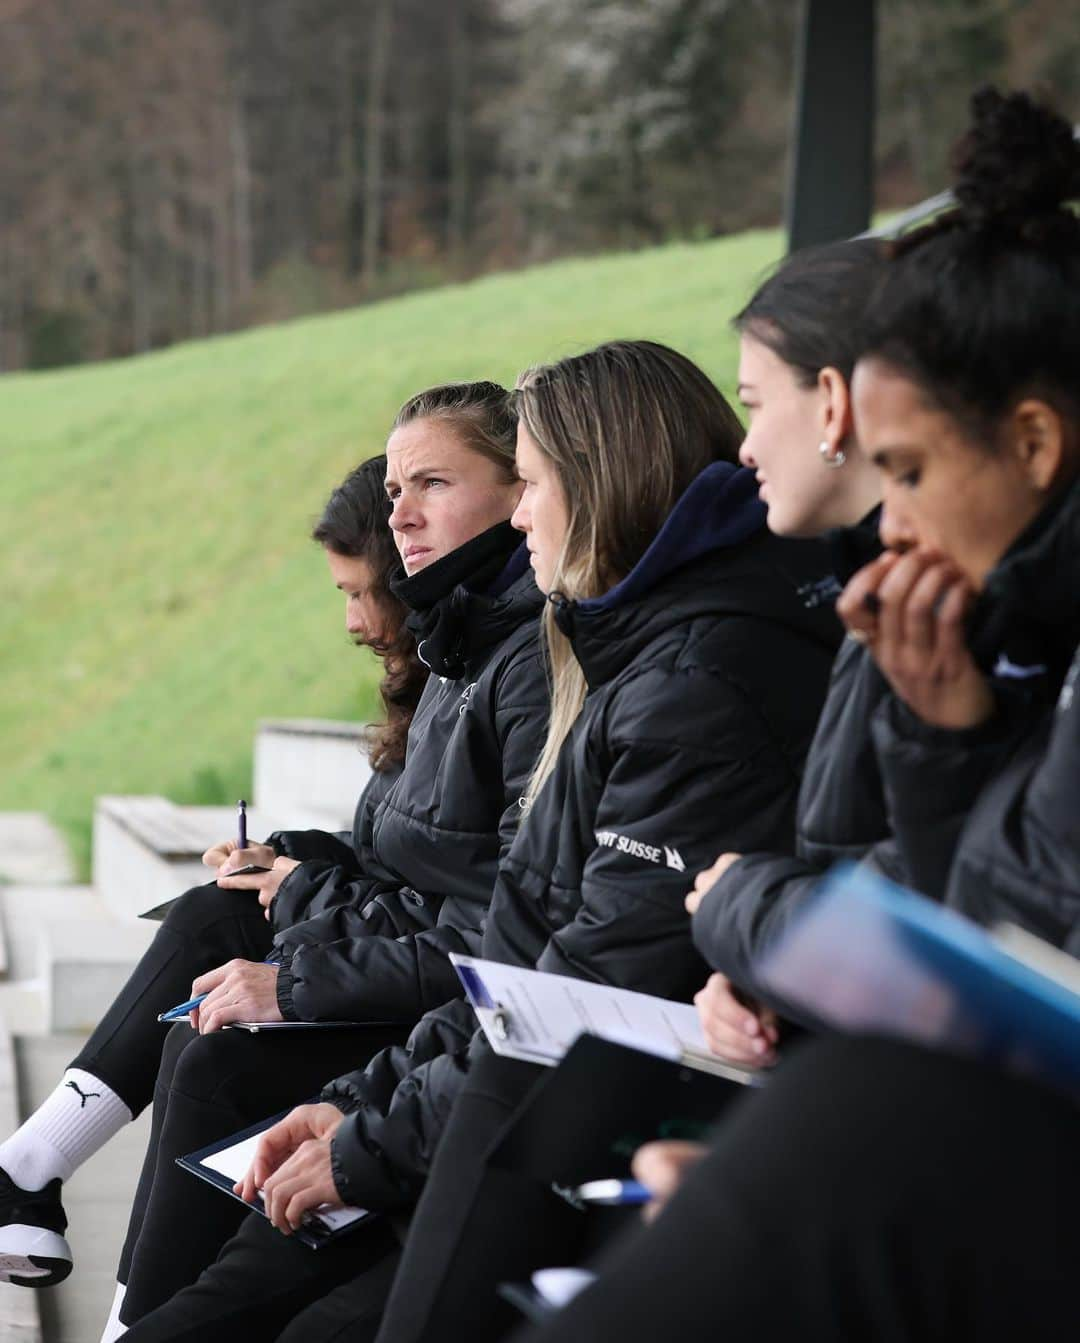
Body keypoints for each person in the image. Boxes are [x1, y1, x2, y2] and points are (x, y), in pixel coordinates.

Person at [121, 338, 843, 1343]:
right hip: (498, 1082)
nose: (517, 517)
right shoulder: (631, 653)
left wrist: (369, 1138)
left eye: (531, 485)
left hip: (597, 1120)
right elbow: (524, 939)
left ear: (600, 484)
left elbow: (580, 976)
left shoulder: (687, 681)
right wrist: (358, 1108)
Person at [508, 85, 1080, 1343]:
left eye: (915, 472)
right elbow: (982, 929)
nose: (904, 516)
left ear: (1035, 441)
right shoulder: (933, 621)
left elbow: (1001, 946)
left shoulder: (756, 645)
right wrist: (946, 734)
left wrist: (748, 920)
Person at [109, 380, 552, 1328]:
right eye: (394, 490)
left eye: (430, 482)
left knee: (213, 1050)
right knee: (213, 953)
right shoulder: (460, 647)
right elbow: (416, 864)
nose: (401, 516)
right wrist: (303, 864)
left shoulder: (522, 663)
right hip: (449, 1038)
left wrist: (302, 964)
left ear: (523, 492)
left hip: (476, 1054)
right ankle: (46, 1192)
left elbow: (496, 934)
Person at [0, 452, 422, 1294]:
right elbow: (399, 859)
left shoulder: (485, 682)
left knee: (210, 1047)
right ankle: (30, 1166)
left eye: (357, 591)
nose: (349, 620)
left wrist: (300, 883)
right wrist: (286, 854)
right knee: (214, 911)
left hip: (422, 1017)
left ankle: (41, 1185)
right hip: (392, 965)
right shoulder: (443, 684)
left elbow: (452, 912)